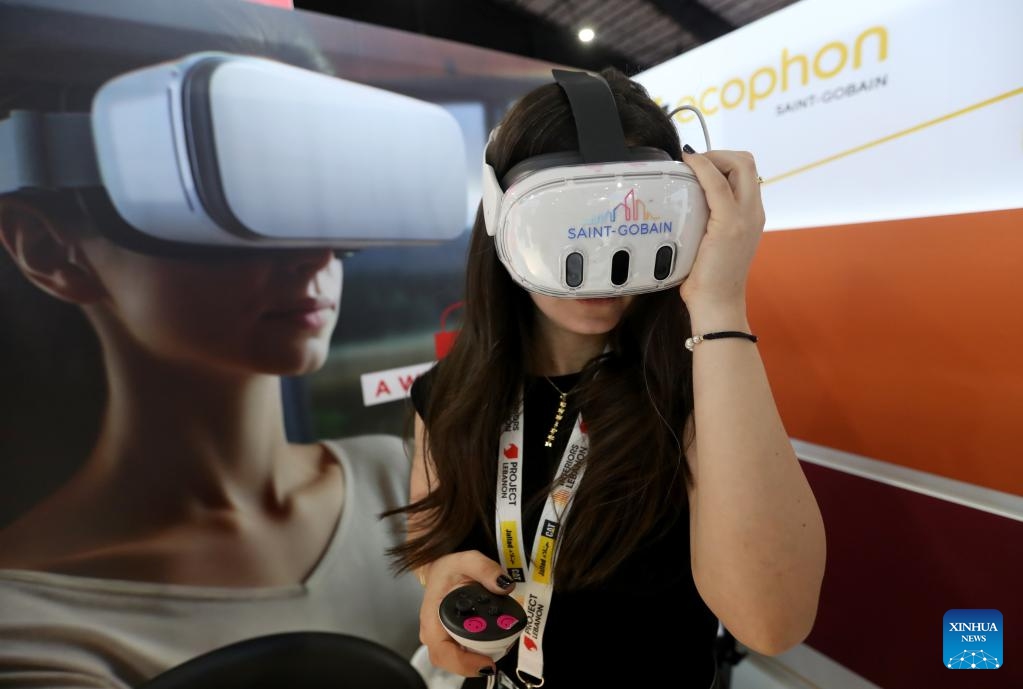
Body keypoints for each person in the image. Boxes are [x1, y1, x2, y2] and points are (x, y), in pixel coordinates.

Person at [388, 67, 827, 688]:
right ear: (502, 217)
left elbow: (772, 621)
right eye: (572, 226)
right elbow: (430, 538)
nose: (602, 266)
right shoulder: (450, 390)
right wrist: (440, 578)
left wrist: (720, 303)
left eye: (635, 223)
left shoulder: (698, 386)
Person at [0, 112, 421, 689]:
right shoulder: (27, 633)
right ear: (50, 248)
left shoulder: (404, 477)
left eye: (320, 199)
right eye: (225, 201)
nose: (315, 253)